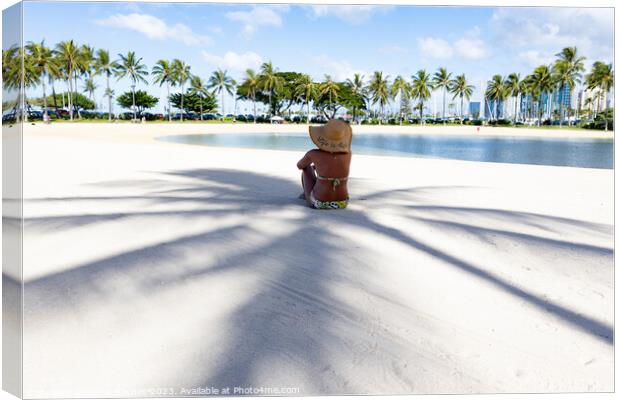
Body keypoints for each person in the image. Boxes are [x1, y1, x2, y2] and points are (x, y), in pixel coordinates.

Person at [297, 119, 352, 209]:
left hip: (319, 202)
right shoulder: (348, 154)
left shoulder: (314, 154)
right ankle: (308, 194)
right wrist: (318, 166)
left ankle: (306, 195)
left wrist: (314, 166)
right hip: (342, 202)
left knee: (307, 168)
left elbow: (299, 165)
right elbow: (333, 165)